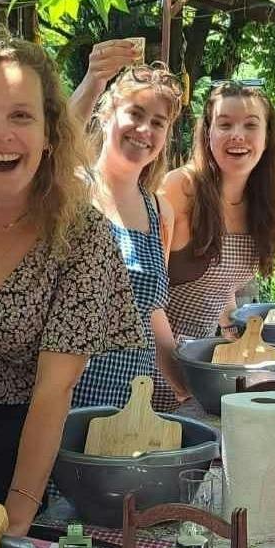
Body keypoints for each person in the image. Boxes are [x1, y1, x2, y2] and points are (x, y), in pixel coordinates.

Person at [0, 28, 142, 535]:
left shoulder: (82, 236)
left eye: (20, 115)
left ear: (49, 132)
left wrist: (16, 515)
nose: (1, 134)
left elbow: (54, 389)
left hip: (13, 462)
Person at [154, 80, 275, 410]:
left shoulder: (263, 204)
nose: (238, 136)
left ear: (267, 137)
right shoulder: (181, 188)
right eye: (225, 124)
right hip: (151, 364)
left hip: (204, 365)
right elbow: (143, 297)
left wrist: (233, 338)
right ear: (208, 133)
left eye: (250, 125)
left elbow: (221, 283)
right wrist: (182, 384)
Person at [67, 55, 182, 408]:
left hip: (130, 410)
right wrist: (93, 80)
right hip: (65, 402)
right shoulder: (72, 190)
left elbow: (151, 312)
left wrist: (190, 386)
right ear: (106, 115)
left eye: (158, 122)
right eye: (135, 113)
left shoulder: (160, 211)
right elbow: (51, 147)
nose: (144, 130)